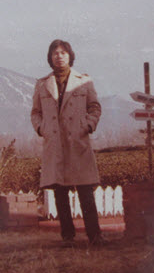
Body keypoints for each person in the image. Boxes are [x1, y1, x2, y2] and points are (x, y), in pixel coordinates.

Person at [31, 39, 105, 246]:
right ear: (50, 57)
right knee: (59, 193)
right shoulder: (42, 84)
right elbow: (35, 113)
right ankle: (68, 236)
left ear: (70, 55)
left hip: (77, 141)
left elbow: (95, 107)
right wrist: (41, 128)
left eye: (63, 52)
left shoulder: (84, 81)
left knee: (85, 191)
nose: (59, 56)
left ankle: (95, 235)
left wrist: (88, 126)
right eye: (55, 52)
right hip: (55, 143)